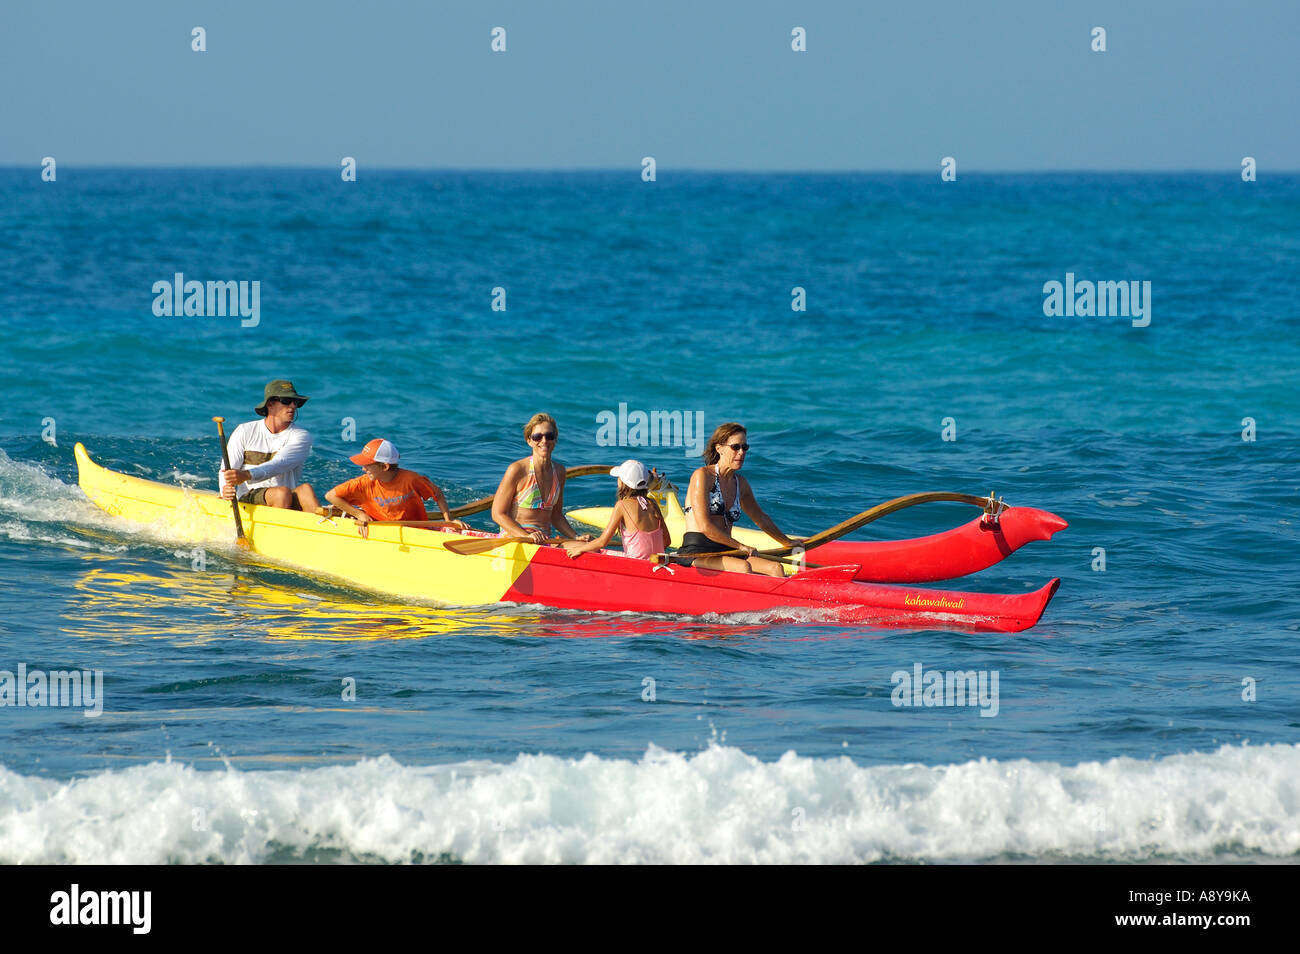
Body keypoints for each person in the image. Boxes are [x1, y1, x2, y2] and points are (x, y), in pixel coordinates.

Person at [675, 422, 796, 576]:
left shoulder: (741, 483)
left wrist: (788, 542)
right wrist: (740, 546)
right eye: (735, 447)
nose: (741, 452)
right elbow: (705, 526)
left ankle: (780, 600)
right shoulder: (703, 476)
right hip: (697, 551)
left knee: (776, 568)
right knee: (743, 567)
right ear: (719, 449)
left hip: (726, 550)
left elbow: (761, 519)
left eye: (745, 447)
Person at [325, 438, 469, 538]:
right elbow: (331, 496)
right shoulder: (363, 483)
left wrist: (449, 521)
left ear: (385, 466)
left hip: (416, 532)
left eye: (368, 465)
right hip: (381, 533)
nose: (363, 469)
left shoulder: (411, 479)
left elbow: (437, 493)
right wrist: (359, 514)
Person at [491, 413, 592, 544]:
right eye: (537, 436)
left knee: (587, 548)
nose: (544, 441)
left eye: (549, 436)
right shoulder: (517, 469)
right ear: (529, 440)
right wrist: (526, 536)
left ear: (555, 440)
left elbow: (556, 516)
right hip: (515, 538)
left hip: (543, 540)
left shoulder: (560, 472)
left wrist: (576, 536)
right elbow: (497, 514)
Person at [220, 380, 320, 511]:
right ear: (270, 404)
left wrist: (247, 475)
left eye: (295, 402)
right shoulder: (244, 430)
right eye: (286, 401)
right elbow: (227, 470)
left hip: (285, 498)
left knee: (305, 490)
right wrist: (224, 489)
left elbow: (279, 464)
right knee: (281, 494)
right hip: (249, 499)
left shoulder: (301, 436)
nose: (293, 406)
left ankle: (323, 528)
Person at [563, 460, 667, 560]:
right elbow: (667, 541)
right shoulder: (653, 504)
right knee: (591, 544)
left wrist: (579, 549)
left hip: (634, 565)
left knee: (566, 546)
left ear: (622, 482)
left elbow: (603, 542)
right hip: (654, 562)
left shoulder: (621, 505)